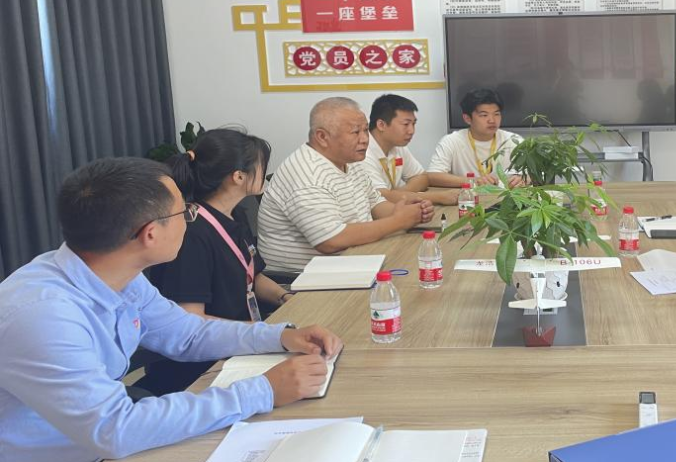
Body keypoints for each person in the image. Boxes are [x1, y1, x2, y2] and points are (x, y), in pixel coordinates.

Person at [0, 157, 342, 462]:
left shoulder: (117, 272)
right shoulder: (44, 317)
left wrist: (280, 336)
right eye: (185, 212)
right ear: (150, 234)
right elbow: (116, 429)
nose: (190, 219)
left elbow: (187, 333)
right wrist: (262, 391)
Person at [136, 128, 294, 396]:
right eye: (261, 166)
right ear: (238, 176)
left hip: (242, 344)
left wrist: (284, 297)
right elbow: (190, 320)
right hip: (204, 365)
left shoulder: (236, 215)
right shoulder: (192, 233)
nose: (266, 171)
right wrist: (262, 333)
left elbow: (251, 276)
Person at [259, 97, 433, 271]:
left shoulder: (350, 160)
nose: (365, 139)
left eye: (365, 130)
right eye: (355, 132)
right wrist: (398, 221)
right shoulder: (306, 173)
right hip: (308, 278)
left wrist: (407, 212)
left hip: (357, 260)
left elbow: (375, 203)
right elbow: (330, 240)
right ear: (322, 137)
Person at [360, 94, 459, 204]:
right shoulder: (363, 153)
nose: (411, 131)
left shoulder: (397, 146)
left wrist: (398, 194)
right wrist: (438, 197)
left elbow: (422, 177)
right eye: (406, 124)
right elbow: (380, 197)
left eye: (413, 124)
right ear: (381, 125)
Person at [428, 88, 525, 188]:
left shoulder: (514, 140)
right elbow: (432, 176)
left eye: (496, 114)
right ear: (467, 118)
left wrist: (524, 178)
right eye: (484, 115)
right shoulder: (451, 141)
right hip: (467, 196)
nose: (492, 120)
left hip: (505, 196)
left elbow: (534, 173)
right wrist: (473, 181)